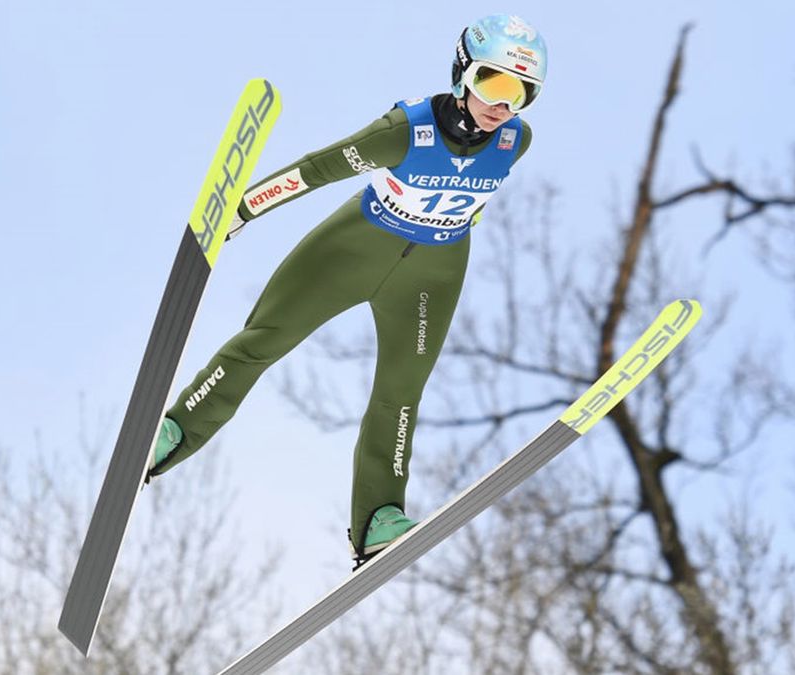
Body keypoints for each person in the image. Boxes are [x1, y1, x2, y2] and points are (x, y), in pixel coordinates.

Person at [146, 14, 547, 565]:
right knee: (264, 339)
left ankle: (379, 517)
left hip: (432, 274)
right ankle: (173, 431)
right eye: (493, 83)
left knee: (400, 396)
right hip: (354, 248)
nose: (503, 105)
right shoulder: (405, 131)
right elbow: (320, 169)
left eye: (521, 93)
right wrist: (241, 207)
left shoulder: (514, 142)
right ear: (462, 73)